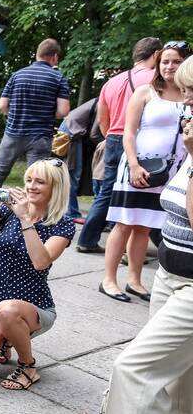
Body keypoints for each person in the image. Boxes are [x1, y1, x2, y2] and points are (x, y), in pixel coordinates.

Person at [84, 56, 193, 414]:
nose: (184, 105)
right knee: (182, 383)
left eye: (191, 95)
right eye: (185, 95)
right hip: (171, 273)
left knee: (134, 370)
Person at [0, 159, 75, 390]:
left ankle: (28, 366)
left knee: (8, 309)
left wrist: (25, 219)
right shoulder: (7, 210)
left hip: (35, 306)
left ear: (56, 188)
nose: (31, 186)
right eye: (29, 180)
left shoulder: (62, 225)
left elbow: (41, 262)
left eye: (40, 182)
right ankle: (7, 337)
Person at [97, 42, 191, 303]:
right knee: (125, 222)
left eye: (176, 61)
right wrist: (134, 164)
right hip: (139, 167)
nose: (170, 66)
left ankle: (134, 280)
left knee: (144, 226)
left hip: (170, 173)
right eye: (165, 61)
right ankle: (109, 279)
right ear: (158, 64)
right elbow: (128, 132)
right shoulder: (145, 92)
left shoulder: (188, 95)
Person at [77, 38, 163, 252]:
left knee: (107, 191)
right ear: (156, 55)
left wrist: (111, 136)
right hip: (138, 140)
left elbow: (102, 120)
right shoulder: (155, 78)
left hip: (114, 138)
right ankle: (137, 248)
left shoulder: (112, 82)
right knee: (143, 192)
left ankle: (86, 240)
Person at [0, 39, 71, 187]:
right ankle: (30, 210)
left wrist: (14, 115)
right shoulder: (58, 78)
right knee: (36, 180)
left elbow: (2, 106)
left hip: (12, 134)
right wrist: (47, 113)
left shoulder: (17, 75)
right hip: (40, 137)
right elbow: (63, 111)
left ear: (37, 54)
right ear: (55, 57)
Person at [55, 97, 101, 220]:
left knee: (73, 174)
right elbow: (95, 135)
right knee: (73, 174)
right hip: (71, 132)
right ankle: (71, 213)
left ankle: (68, 210)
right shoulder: (103, 103)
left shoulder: (102, 100)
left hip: (74, 131)